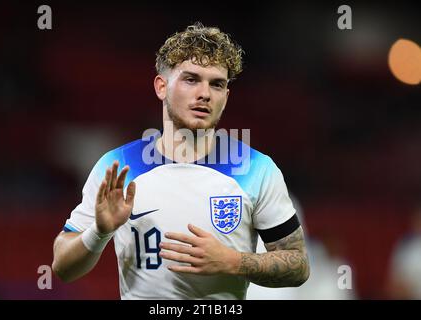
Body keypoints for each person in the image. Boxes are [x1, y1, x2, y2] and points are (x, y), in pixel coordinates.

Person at [52, 23, 310, 299]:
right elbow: (62, 268)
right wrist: (99, 233)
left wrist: (232, 261)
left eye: (217, 84)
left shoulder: (257, 169)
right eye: (191, 79)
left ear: (226, 96)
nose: (205, 94)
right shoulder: (117, 166)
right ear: (161, 87)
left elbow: (298, 266)